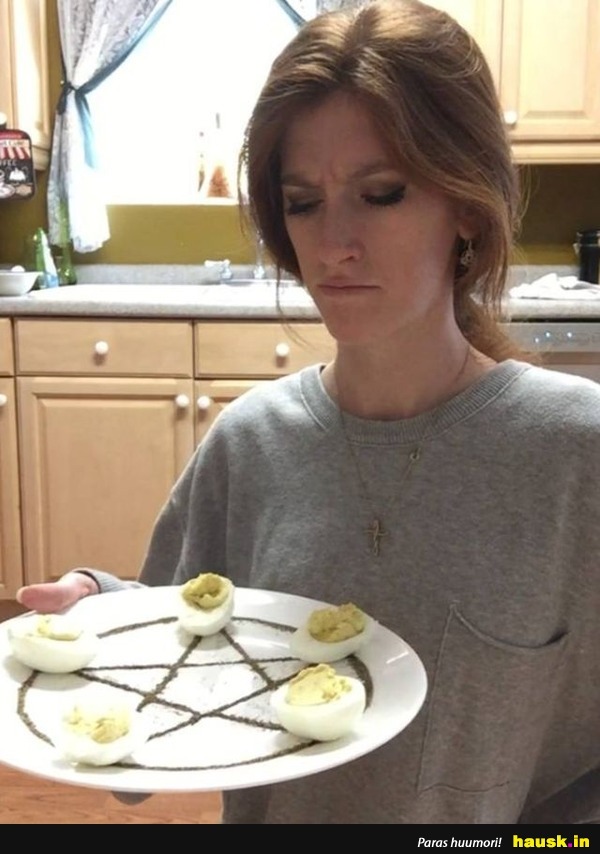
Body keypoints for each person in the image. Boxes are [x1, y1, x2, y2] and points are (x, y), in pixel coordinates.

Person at [17, 0, 600, 825]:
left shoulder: (576, 457)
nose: (332, 245)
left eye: (381, 194)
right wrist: (101, 613)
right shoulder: (249, 447)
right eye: (302, 202)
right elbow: (166, 666)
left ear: (468, 206)